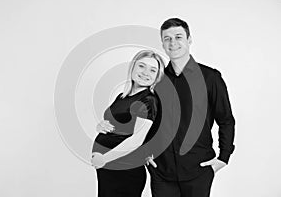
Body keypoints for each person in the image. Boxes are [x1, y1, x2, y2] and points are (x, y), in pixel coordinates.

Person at [144, 18, 236, 197]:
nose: (173, 42)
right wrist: (146, 152)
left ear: (189, 40)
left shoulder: (210, 78)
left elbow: (225, 120)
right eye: (167, 38)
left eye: (178, 37)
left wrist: (223, 157)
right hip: (161, 171)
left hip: (198, 170)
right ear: (162, 43)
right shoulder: (157, 80)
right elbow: (151, 121)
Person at [91, 50, 165, 197]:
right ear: (133, 67)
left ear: (157, 77)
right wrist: (100, 126)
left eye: (152, 70)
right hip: (109, 169)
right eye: (142, 66)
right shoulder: (122, 96)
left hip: (125, 171)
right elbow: (115, 124)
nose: (145, 73)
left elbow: (137, 139)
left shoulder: (148, 101)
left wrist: (104, 159)